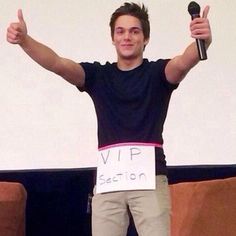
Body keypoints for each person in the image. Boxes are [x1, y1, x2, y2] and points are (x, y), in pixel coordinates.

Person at [7, 2, 212, 236]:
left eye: (134, 31)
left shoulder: (158, 73)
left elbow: (184, 61)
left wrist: (203, 40)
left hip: (150, 179)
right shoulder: (98, 76)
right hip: (109, 183)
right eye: (120, 31)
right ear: (113, 38)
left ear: (145, 38)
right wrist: (25, 41)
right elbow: (57, 64)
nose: (127, 37)